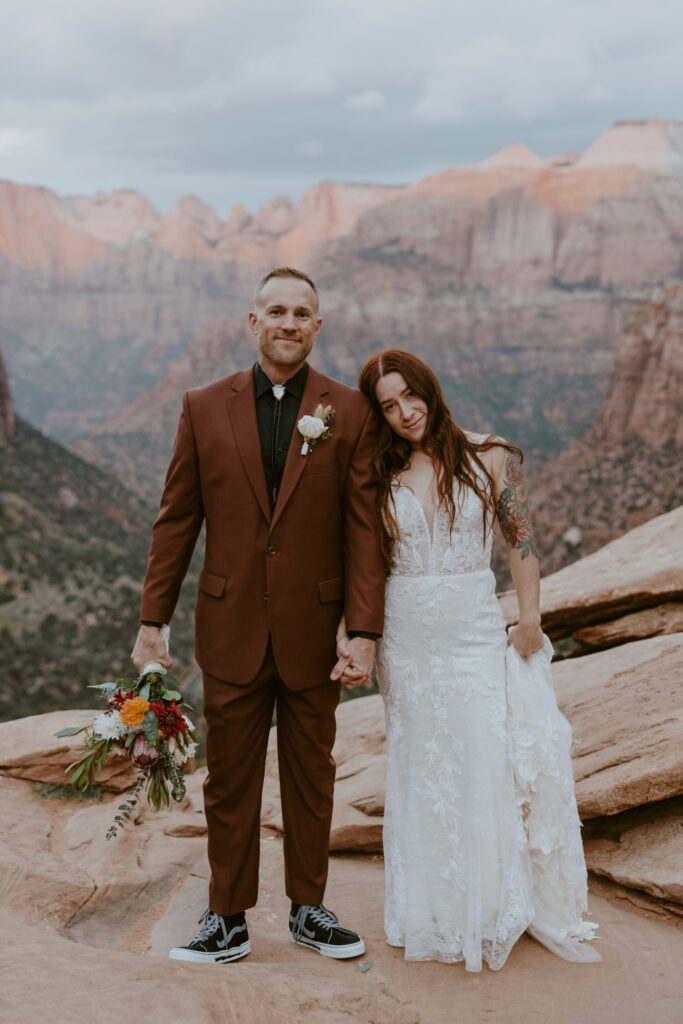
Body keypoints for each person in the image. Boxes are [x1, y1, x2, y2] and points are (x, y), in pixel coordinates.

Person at [132, 267, 385, 964]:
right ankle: (227, 919)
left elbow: (363, 528)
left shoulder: (349, 411)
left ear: (317, 326)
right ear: (252, 321)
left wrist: (362, 629)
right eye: (276, 310)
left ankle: (309, 909)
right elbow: (176, 518)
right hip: (230, 626)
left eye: (302, 313)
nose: (288, 323)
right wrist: (153, 618)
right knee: (230, 782)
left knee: (313, 775)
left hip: (314, 628)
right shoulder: (202, 405)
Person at [340, 348, 600, 972]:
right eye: (388, 406)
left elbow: (522, 543)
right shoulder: (378, 468)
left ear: (430, 386)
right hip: (405, 639)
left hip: (472, 630)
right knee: (422, 765)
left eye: (411, 396)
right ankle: (431, 910)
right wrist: (354, 635)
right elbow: (359, 562)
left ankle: (489, 907)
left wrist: (530, 620)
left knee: (485, 758)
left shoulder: (492, 456)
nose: (405, 414)